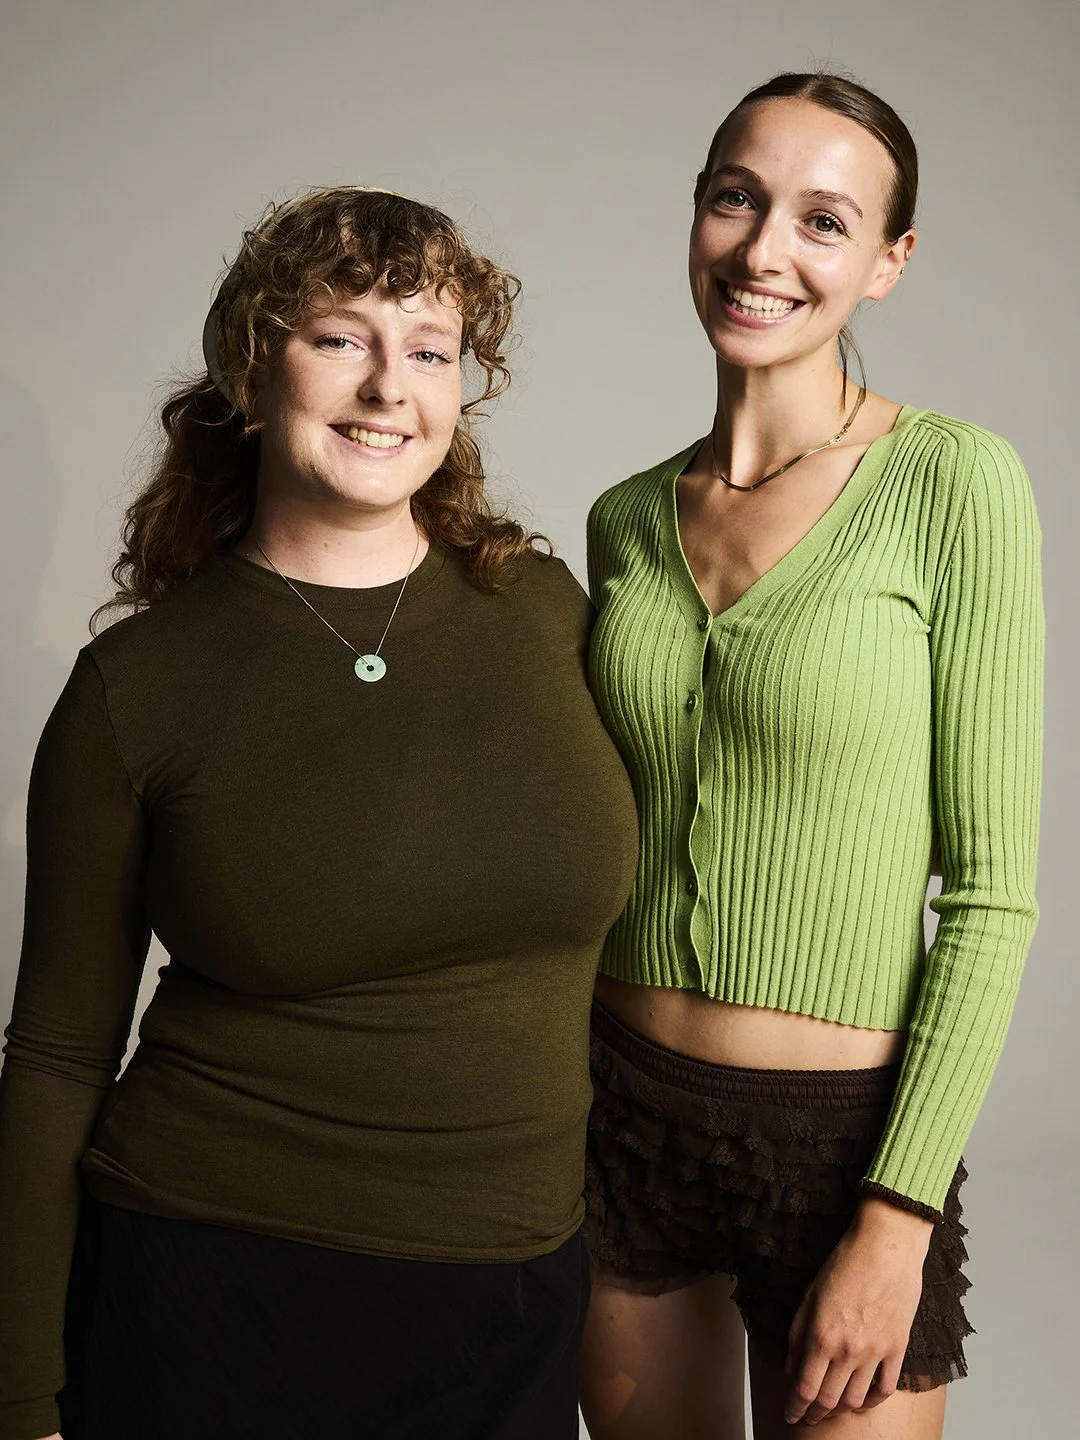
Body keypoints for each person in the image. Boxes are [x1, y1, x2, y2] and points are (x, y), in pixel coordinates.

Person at [0, 186, 639, 1440]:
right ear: (254, 364)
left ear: (461, 392)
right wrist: (21, 1393)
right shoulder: (140, 688)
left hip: (516, 1291)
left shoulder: (549, 613)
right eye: (341, 336)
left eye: (430, 350)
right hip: (218, 1286)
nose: (387, 385)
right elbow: (58, 1054)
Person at [579, 72, 1043, 1440]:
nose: (764, 249)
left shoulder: (955, 483)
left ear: (889, 263)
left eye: (823, 221)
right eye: (737, 198)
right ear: (699, 217)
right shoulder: (624, 519)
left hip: (843, 1144)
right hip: (614, 1101)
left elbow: (994, 894)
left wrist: (896, 1217)